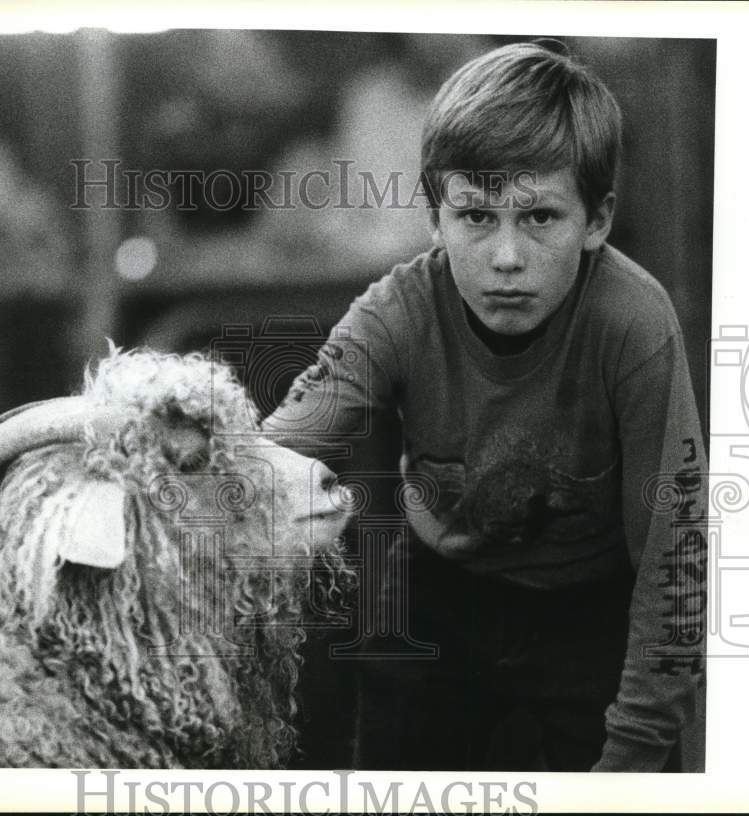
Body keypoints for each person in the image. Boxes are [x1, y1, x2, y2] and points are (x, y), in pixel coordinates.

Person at [262, 40, 707, 772]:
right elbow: (276, 450)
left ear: (596, 221)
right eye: (475, 217)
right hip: (438, 600)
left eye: (538, 219)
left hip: (590, 611)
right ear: (435, 218)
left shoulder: (634, 323)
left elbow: (675, 556)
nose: (506, 256)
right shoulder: (396, 311)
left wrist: (632, 754)